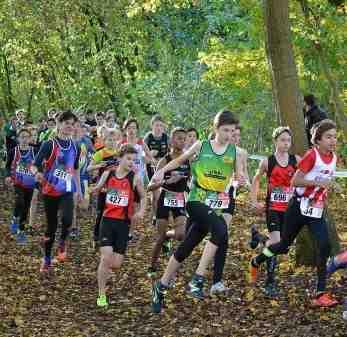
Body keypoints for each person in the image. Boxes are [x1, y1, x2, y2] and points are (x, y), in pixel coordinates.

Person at [151, 110, 243, 313]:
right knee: (220, 230)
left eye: (232, 130)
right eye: (225, 130)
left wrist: (240, 180)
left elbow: (239, 176)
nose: (228, 134)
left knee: (187, 246)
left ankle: (161, 285)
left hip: (215, 202)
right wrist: (161, 171)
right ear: (215, 128)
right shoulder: (202, 146)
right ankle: (197, 279)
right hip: (196, 199)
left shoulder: (234, 152)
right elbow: (180, 159)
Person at [250, 119, 339, 307]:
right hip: (297, 207)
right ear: (318, 140)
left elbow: (325, 181)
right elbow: (295, 182)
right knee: (282, 246)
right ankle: (257, 259)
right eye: (328, 137)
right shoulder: (311, 156)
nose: (332, 141)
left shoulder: (333, 157)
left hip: (315, 209)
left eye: (334, 137)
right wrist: (319, 183)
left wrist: (328, 189)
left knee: (324, 246)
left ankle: (320, 293)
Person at [92, 144, 146, 307]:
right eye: (128, 159)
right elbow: (97, 188)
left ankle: (105, 268)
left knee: (115, 264)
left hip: (123, 223)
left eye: (134, 160)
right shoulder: (108, 173)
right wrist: (87, 193)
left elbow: (144, 196)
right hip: (107, 220)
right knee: (106, 257)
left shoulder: (135, 177)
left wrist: (142, 211)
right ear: (120, 158)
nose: (131, 162)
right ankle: (101, 295)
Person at [250, 126, 300, 296]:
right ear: (275, 141)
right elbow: (256, 180)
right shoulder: (267, 161)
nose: (286, 144)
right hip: (272, 208)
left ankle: (257, 248)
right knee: (277, 242)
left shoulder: (296, 160)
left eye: (288, 141)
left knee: (282, 247)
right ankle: (270, 282)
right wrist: (254, 201)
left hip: (290, 209)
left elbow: (307, 176)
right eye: (282, 140)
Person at [32, 110, 82, 274]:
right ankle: (46, 258)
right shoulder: (49, 144)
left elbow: (75, 170)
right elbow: (35, 164)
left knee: (68, 219)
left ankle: (62, 242)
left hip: (67, 189)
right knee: (51, 227)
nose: (69, 127)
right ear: (59, 125)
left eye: (72, 124)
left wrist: (80, 190)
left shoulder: (75, 145)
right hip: (50, 190)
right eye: (66, 123)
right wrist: (37, 173)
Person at [147, 127, 189, 276]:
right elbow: (150, 186)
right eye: (179, 138)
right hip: (165, 198)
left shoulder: (188, 159)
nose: (182, 142)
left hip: (180, 199)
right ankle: (152, 266)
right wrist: (167, 181)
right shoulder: (165, 160)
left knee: (181, 235)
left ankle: (168, 237)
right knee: (159, 237)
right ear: (171, 140)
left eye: (184, 139)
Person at [88, 128, 121, 246]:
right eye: (109, 140)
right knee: (101, 212)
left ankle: (111, 236)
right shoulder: (100, 153)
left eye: (114, 140)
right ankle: (96, 237)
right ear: (104, 141)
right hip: (103, 187)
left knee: (115, 213)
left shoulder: (119, 153)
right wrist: (98, 165)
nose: (112, 142)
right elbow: (88, 168)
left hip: (117, 189)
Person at [5, 128, 37, 244]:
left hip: (30, 184)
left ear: (30, 138)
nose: (24, 139)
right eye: (22, 137)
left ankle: (21, 231)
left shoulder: (34, 151)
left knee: (26, 206)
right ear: (18, 139)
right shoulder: (13, 151)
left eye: (26, 137)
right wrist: (8, 175)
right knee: (20, 202)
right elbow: (7, 166)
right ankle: (15, 218)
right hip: (17, 182)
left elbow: (40, 165)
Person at [144, 115, 169, 225]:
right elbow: (142, 155)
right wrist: (150, 157)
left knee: (163, 192)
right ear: (152, 126)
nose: (158, 127)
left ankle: (163, 214)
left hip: (163, 168)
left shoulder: (166, 138)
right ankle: (155, 215)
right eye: (156, 125)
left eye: (160, 125)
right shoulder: (148, 137)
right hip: (151, 167)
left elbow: (171, 152)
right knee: (155, 194)